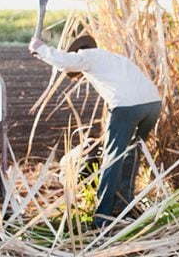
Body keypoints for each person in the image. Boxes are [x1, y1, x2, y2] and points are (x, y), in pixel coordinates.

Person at [29, 33, 162, 227]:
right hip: (152, 105)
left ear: (79, 51)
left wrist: (40, 48)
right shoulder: (113, 58)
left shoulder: (88, 56)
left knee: (112, 159)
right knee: (131, 156)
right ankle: (125, 208)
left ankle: (103, 217)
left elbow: (64, 62)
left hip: (127, 107)